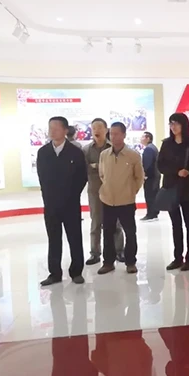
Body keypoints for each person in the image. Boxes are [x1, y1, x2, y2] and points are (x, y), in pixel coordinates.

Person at [36, 116, 88, 286]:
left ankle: (76, 272)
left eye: (56, 128)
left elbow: (82, 177)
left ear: (65, 130)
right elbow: (42, 178)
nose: (52, 131)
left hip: (71, 204)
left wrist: (72, 195)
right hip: (51, 205)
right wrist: (48, 197)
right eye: (50, 128)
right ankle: (54, 273)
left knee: (75, 238)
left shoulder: (75, 152)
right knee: (53, 239)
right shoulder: (43, 152)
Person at [97, 122, 144, 275]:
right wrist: (107, 189)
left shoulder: (133, 155)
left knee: (130, 232)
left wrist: (131, 191)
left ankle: (130, 262)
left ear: (124, 135)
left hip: (126, 201)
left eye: (117, 134)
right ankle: (108, 262)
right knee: (108, 232)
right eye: (111, 134)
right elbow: (102, 174)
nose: (113, 137)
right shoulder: (104, 155)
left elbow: (139, 177)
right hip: (107, 200)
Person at [158, 113, 189, 272]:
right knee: (175, 224)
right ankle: (177, 257)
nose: (173, 127)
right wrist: (176, 171)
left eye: (176, 123)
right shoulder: (166, 144)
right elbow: (160, 165)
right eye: (171, 123)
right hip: (171, 188)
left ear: (184, 125)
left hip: (188, 189)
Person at [84, 118, 125, 266]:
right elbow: (85, 169)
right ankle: (95, 253)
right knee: (96, 222)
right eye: (94, 127)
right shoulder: (86, 150)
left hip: (113, 190)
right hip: (95, 191)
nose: (97, 130)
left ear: (106, 130)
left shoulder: (113, 147)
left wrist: (96, 166)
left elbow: (117, 167)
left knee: (116, 222)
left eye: (100, 127)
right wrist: (100, 167)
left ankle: (119, 251)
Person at [140, 132, 160, 222]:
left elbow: (147, 164)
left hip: (151, 176)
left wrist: (145, 175)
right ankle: (154, 213)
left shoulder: (149, 149)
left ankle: (151, 214)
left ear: (148, 138)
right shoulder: (153, 148)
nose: (141, 139)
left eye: (142, 137)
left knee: (149, 195)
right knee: (153, 194)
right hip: (155, 175)